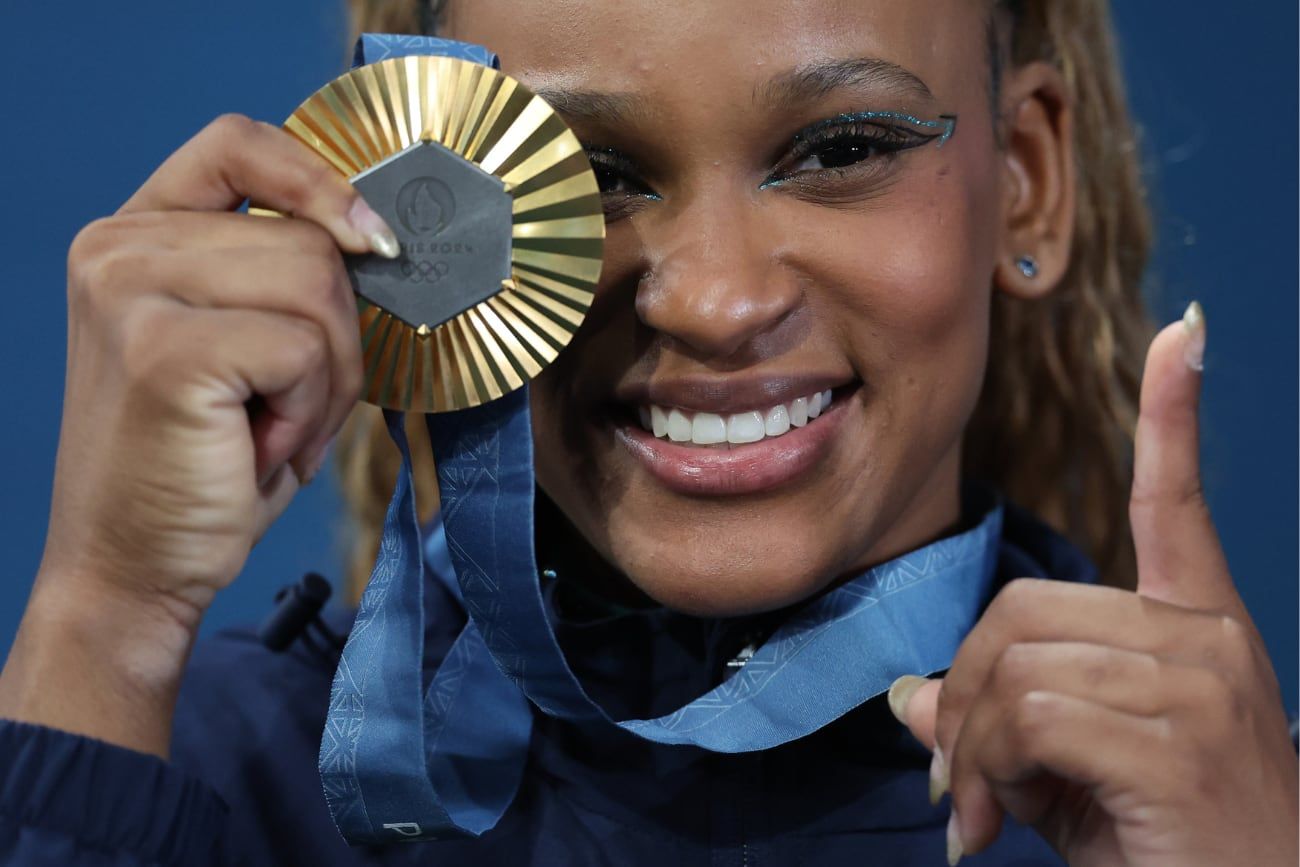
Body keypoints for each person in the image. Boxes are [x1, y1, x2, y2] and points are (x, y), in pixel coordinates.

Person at [0, 0, 1294, 864]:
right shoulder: (197, 773)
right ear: (405, 212)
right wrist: (103, 625)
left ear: (1028, 180)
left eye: (843, 145)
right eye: (587, 176)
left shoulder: (1220, 815)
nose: (717, 302)